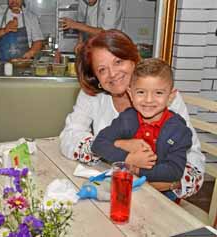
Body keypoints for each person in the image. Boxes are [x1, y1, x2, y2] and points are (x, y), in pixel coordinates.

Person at [59, 29, 205, 199]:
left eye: (118, 61)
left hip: (160, 194)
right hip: (111, 187)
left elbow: (193, 160)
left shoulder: (163, 97)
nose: (113, 73)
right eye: (102, 70)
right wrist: (122, 146)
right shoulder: (92, 95)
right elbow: (69, 137)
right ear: (96, 77)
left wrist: (163, 180)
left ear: (133, 60)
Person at [92, 58, 192, 200]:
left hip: (161, 196)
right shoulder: (127, 119)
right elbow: (98, 144)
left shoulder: (179, 130)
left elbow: (174, 171)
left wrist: (136, 169)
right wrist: (128, 158)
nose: (149, 100)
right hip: (124, 187)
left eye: (158, 93)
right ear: (130, 94)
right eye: (141, 92)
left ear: (170, 96)